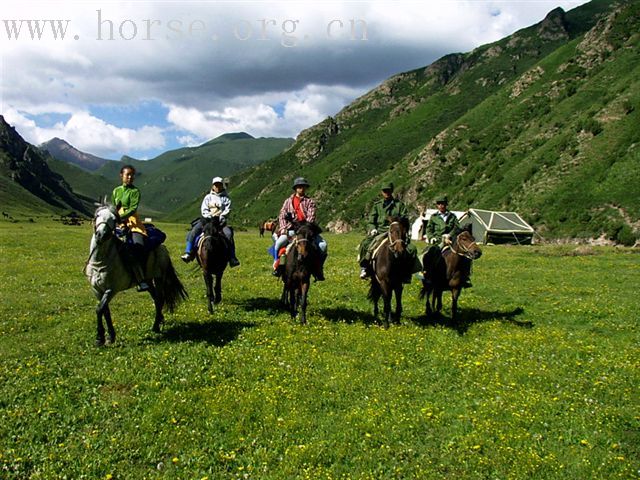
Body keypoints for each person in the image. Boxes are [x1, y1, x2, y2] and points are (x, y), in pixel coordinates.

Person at [358, 182, 421, 281]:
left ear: (391, 191)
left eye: (388, 191)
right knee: (365, 244)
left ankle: (407, 272)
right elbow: (371, 220)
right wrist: (373, 228)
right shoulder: (377, 206)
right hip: (381, 232)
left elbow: (405, 219)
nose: (386, 193)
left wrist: (400, 225)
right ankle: (364, 268)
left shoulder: (399, 205)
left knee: (411, 249)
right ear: (382, 192)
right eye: (384, 191)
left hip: (396, 233)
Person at [272, 177, 327, 280]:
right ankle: (277, 266)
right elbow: (282, 215)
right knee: (279, 243)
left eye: (304, 187)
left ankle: (318, 269)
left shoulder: (310, 202)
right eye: (300, 187)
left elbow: (311, 217)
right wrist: (284, 229)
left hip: (306, 229)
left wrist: (304, 227)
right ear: (296, 188)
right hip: (291, 229)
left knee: (323, 246)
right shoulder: (288, 201)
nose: (302, 189)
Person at [181, 177, 240, 267]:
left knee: (228, 234)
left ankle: (232, 257)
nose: (217, 187)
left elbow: (228, 210)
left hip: (220, 222)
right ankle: (188, 252)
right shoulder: (208, 197)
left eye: (219, 185)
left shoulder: (226, 198)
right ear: (213, 185)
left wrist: (221, 217)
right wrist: (210, 217)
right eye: (215, 185)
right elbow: (204, 209)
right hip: (207, 221)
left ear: (221, 185)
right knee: (194, 231)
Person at [112, 165, 149, 292]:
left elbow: (133, 209)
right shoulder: (116, 191)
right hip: (117, 223)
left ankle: (141, 279)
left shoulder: (135, 191)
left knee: (137, 247)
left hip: (133, 224)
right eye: (127, 174)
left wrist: (120, 216)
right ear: (121, 175)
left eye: (132, 175)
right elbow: (114, 207)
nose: (130, 177)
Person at [422, 195, 471, 287]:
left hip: (451, 241)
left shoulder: (452, 216)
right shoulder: (433, 217)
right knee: (428, 254)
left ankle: (465, 277)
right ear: (437, 205)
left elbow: (457, 228)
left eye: (443, 204)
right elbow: (428, 229)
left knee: (466, 256)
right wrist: (431, 237)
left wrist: (449, 235)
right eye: (439, 204)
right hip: (437, 240)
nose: (441, 206)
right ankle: (427, 274)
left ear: (446, 205)